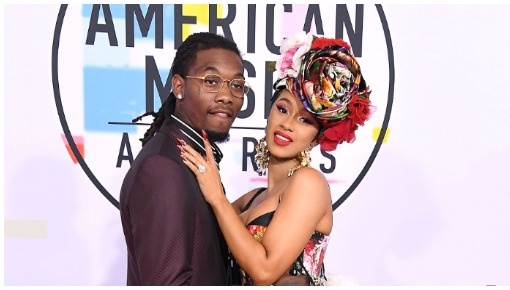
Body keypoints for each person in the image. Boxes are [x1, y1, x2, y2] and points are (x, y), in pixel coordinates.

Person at [178, 31, 374, 286]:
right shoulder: (254, 197)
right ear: (269, 111)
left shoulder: (309, 183)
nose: (288, 124)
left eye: (305, 120)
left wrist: (217, 196)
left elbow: (265, 271)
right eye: (282, 109)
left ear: (317, 136)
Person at [119, 31, 249, 285]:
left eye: (237, 85)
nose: (227, 96)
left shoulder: (191, 157)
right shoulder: (162, 169)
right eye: (211, 81)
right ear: (179, 86)